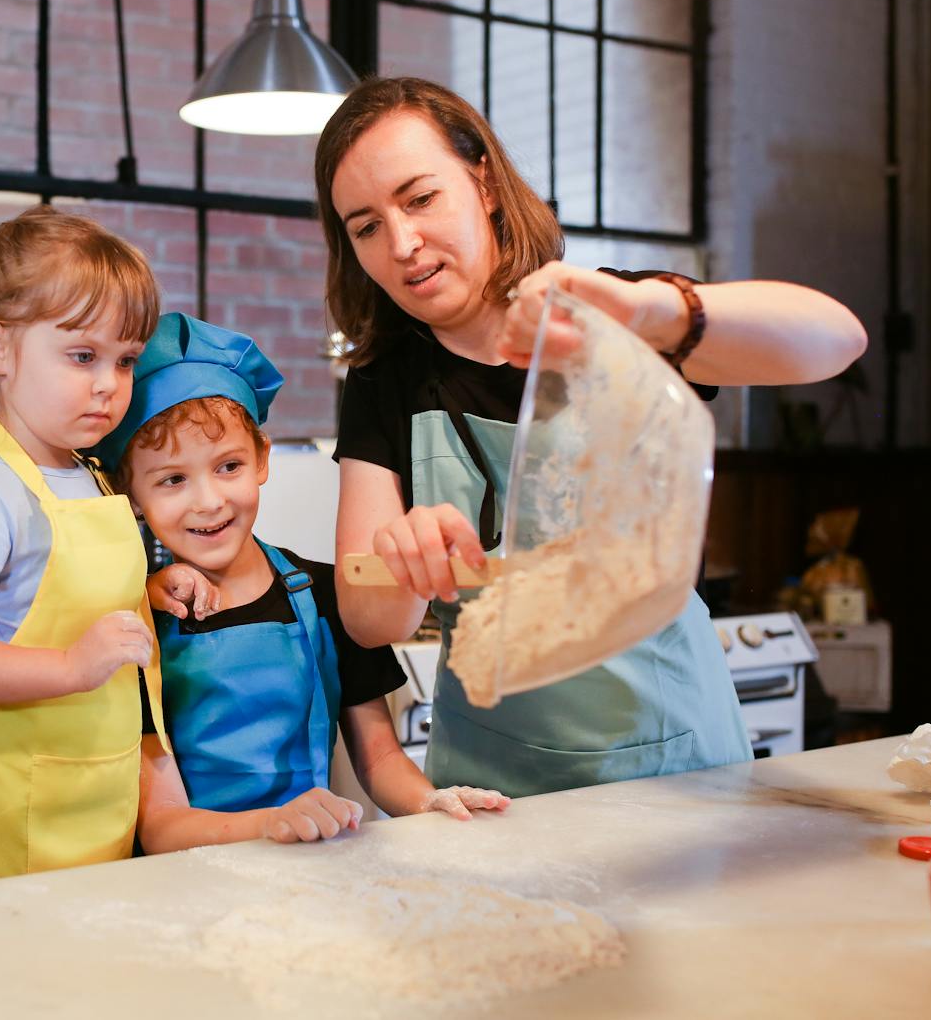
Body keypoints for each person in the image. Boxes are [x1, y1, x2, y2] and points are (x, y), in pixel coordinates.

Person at [317, 77, 869, 798]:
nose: (403, 243)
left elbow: (836, 340)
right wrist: (407, 560)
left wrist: (654, 311)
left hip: (674, 767)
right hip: (490, 785)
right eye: (365, 227)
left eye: (420, 198)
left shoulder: (609, 319)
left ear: (483, 181)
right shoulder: (382, 380)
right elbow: (367, 620)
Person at [87, 313, 507, 850]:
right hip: (189, 890)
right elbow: (163, 826)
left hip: (309, 873)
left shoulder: (327, 595)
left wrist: (429, 803)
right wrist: (272, 822)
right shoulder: (137, 624)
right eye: (172, 479)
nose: (209, 501)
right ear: (129, 489)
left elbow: (379, 757)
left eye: (228, 467)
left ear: (262, 458)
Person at [0, 205, 167, 886]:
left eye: (125, 359)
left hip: (97, 803)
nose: (109, 383)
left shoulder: (88, 471)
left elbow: (68, 603)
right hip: (17, 819)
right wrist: (72, 666)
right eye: (82, 355)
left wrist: (157, 594)